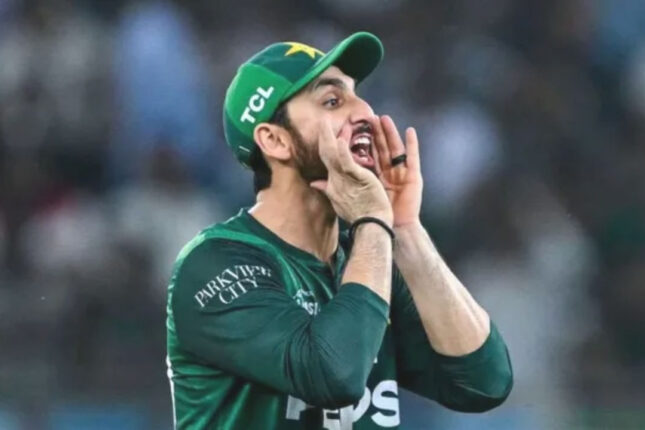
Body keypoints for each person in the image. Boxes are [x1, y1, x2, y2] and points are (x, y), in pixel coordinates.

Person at [165, 31, 513, 430]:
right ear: (275, 140)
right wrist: (373, 223)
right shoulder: (213, 264)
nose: (365, 111)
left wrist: (404, 229)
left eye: (357, 94)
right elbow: (333, 376)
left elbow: (484, 382)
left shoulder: (370, 255)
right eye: (332, 101)